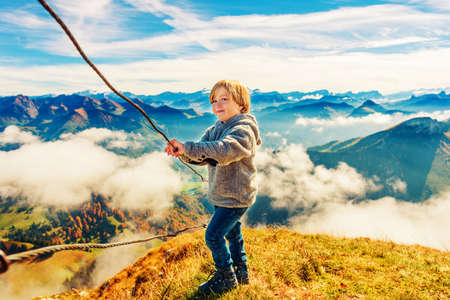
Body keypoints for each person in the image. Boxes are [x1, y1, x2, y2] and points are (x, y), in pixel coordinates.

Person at [165, 79, 261, 295]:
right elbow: (206, 155)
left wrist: (188, 147)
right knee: (233, 234)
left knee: (213, 236)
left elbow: (224, 150)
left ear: (241, 104)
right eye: (214, 100)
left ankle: (226, 277)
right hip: (223, 195)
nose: (217, 104)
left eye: (224, 99)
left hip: (236, 196)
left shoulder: (243, 129)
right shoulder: (215, 128)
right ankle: (241, 272)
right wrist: (184, 152)